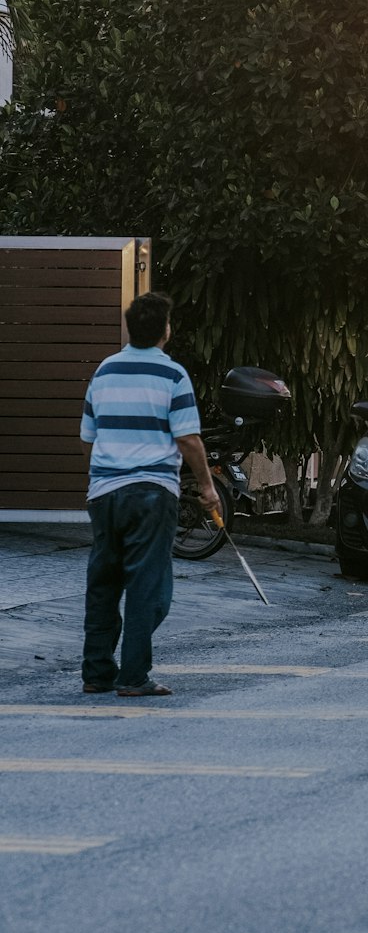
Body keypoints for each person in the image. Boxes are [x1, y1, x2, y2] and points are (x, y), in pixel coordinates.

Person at [79, 291, 219, 696]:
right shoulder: (172, 375)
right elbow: (189, 440)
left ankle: (96, 672)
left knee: (103, 582)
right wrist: (207, 488)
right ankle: (134, 676)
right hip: (152, 493)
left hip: (104, 492)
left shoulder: (104, 372)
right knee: (147, 586)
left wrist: (104, 472)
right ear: (165, 331)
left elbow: (87, 437)